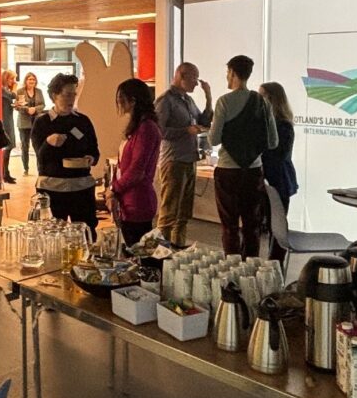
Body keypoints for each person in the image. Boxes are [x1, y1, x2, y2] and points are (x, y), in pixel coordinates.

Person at [209, 55, 278, 257]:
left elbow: (213, 139)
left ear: (232, 72)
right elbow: (273, 142)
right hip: (254, 170)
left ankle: (232, 269)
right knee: (251, 225)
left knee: (229, 225)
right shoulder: (262, 102)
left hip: (228, 171)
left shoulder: (224, 102)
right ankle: (252, 267)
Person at [31, 73, 100, 238]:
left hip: (82, 188)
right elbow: (41, 159)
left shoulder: (82, 121)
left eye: (73, 94)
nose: (71, 99)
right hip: (52, 189)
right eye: (67, 94)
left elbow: (95, 150)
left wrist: (91, 158)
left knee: (86, 233)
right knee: (52, 236)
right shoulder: (42, 123)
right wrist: (49, 142)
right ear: (55, 96)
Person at [155, 62, 213, 246]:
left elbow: (204, 120)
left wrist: (209, 97)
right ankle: (160, 252)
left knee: (183, 213)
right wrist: (185, 131)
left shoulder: (188, 100)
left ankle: (178, 248)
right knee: (169, 211)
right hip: (173, 161)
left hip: (189, 160)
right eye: (194, 78)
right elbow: (158, 131)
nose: (196, 83)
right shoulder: (165, 101)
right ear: (182, 76)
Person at [105, 78, 161, 247]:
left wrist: (114, 189)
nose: (119, 103)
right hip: (129, 199)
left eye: (121, 99)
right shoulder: (138, 127)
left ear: (133, 101)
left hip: (138, 200)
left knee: (138, 251)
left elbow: (137, 170)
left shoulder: (146, 128)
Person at [259, 81, 299, 262]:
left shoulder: (283, 125)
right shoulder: (266, 123)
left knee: (277, 226)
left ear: (271, 99)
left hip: (279, 180)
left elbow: (279, 154)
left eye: (262, 95)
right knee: (267, 224)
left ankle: (275, 263)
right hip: (268, 179)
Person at [15, 72, 46, 175]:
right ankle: (25, 168)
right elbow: (17, 106)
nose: (31, 81)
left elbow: (42, 104)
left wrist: (35, 109)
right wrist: (27, 109)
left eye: (33, 79)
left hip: (37, 123)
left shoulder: (39, 91)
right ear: (26, 81)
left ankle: (40, 168)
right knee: (25, 146)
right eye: (29, 79)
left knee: (38, 145)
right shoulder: (20, 91)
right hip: (24, 123)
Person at [1, 70, 19, 183]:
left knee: (10, 146)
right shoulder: (2, 89)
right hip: (5, 119)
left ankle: (6, 172)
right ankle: (4, 173)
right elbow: (13, 95)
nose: (13, 81)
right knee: (7, 145)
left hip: (8, 118)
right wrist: (15, 88)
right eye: (11, 79)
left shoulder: (6, 89)